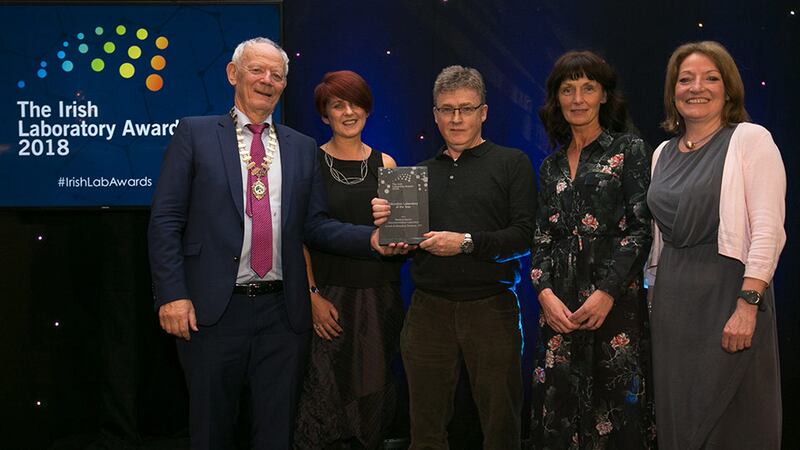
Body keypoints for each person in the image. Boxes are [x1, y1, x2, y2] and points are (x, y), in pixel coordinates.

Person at [148, 38, 402, 450]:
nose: (267, 80)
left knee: (276, 433)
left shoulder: (301, 147)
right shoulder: (194, 134)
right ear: (234, 74)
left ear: (284, 86)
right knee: (210, 431)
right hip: (213, 311)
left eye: (277, 75)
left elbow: (315, 226)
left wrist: (372, 238)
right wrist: (172, 295)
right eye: (257, 70)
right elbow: (165, 220)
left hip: (283, 316)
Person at [373, 65, 537, 449]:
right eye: (447, 109)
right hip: (429, 308)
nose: (456, 118)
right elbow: (399, 247)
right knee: (425, 429)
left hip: (492, 306)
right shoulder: (416, 175)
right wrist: (389, 230)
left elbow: (525, 236)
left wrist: (464, 242)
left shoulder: (511, 163)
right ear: (435, 114)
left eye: (465, 108)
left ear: (484, 112)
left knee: (502, 426)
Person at [646, 41, 786, 450]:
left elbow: (768, 230)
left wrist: (748, 303)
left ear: (728, 88)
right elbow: (658, 242)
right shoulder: (661, 154)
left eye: (711, 78)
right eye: (685, 79)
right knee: (680, 419)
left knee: (735, 422)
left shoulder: (750, 139)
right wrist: (652, 295)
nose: (697, 87)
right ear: (673, 90)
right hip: (674, 306)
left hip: (731, 298)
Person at [528, 50, 655, 449]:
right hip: (558, 308)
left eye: (588, 88)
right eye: (568, 89)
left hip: (614, 303)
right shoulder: (549, 166)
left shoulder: (630, 150)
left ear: (604, 95)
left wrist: (606, 294)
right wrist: (544, 294)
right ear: (557, 99)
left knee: (615, 408)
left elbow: (641, 229)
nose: (578, 98)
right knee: (559, 410)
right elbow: (541, 237)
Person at [293, 71, 405, 449]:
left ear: (367, 110)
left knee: (374, 394)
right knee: (324, 399)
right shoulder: (309, 164)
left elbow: (400, 236)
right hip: (330, 297)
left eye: (355, 103)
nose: (348, 111)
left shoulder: (386, 164)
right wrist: (311, 296)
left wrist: (404, 240)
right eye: (337, 105)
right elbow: (299, 236)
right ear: (325, 116)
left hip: (380, 297)